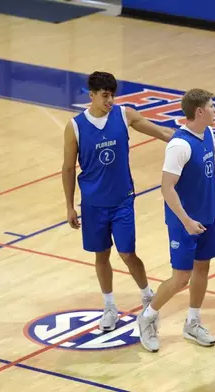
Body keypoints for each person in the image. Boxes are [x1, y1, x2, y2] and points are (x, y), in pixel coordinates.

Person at [137, 88, 215, 352]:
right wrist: (187, 221)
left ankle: (193, 322)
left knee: (202, 270)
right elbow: (167, 188)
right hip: (184, 222)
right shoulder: (179, 145)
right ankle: (147, 317)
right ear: (199, 111)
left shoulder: (205, 134)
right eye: (212, 107)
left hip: (207, 218)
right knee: (181, 278)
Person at [62, 71, 176, 332]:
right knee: (101, 256)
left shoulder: (124, 115)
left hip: (122, 201)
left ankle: (148, 296)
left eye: (112, 94)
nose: (110, 100)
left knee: (127, 253)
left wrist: (186, 138)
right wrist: (69, 206)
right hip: (92, 204)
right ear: (91, 95)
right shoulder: (76, 127)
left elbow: (161, 132)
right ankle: (110, 306)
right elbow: (68, 168)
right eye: (105, 95)